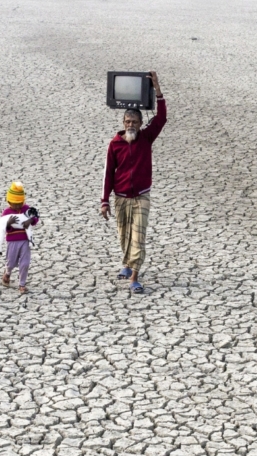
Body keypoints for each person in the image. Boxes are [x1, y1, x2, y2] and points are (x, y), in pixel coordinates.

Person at [100, 71, 166, 294]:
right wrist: (104, 201)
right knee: (124, 235)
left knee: (138, 236)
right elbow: (108, 173)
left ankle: (134, 277)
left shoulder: (146, 138)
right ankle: (127, 264)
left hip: (141, 197)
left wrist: (157, 90)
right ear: (123, 122)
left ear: (140, 124)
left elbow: (162, 118)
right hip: (120, 197)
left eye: (135, 122)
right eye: (128, 121)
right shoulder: (115, 144)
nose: (131, 125)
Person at [0, 181, 39, 294]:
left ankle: (22, 284)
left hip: (25, 240)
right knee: (11, 263)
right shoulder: (7, 212)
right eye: (14, 203)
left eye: (19, 203)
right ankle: (7, 273)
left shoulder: (26, 209)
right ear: (8, 201)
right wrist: (8, 223)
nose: (17, 206)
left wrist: (30, 220)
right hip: (12, 242)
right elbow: (2, 227)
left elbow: (35, 218)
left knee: (25, 263)